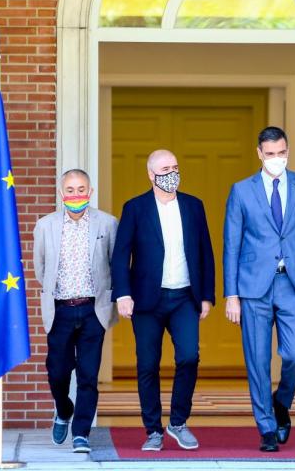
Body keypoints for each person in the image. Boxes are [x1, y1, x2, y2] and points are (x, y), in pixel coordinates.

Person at [223, 126, 295, 452]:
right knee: (257, 361)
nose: (276, 159)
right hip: (253, 287)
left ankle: (280, 402)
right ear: (259, 153)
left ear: (287, 151)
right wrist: (231, 295)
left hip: (292, 284)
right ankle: (267, 428)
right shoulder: (241, 191)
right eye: (270, 154)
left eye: (281, 153)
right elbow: (231, 245)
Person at [111, 150, 216, 452]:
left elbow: (205, 252)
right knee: (147, 364)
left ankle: (178, 422)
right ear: (151, 174)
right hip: (146, 301)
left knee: (189, 357)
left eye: (175, 167)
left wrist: (207, 296)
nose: (172, 173)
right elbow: (121, 255)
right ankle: (153, 430)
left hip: (184, 297)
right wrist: (123, 294)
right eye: (165, 169)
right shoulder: (135, 208)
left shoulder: (194, 206)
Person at [32, 168, 118, 454]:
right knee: (57, 371)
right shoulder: (45, 226)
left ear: (90, 192)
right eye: (70, 190)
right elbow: (40, 268)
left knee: (88, 375)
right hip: (60, 310)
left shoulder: (107, 224)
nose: (76, 194)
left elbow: (114, 265)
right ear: (61, 193)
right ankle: (63, 409)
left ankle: (81, 433)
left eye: (81, 189)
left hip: (94, 310)